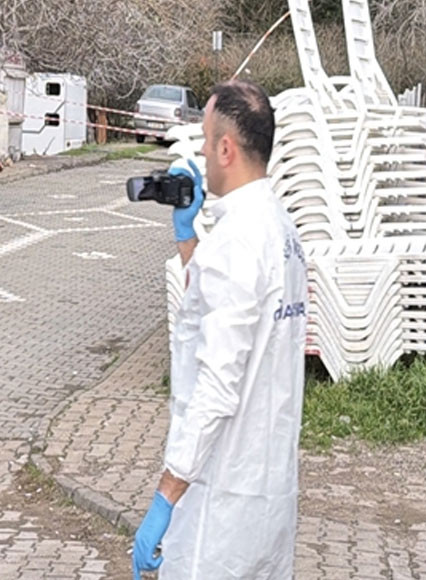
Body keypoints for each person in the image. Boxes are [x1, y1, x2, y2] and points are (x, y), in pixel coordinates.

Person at [131, 79, 307, 580]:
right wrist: (189, 235)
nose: (203, 153)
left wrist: (166, 496)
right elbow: (219, 306)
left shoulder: (239, 242)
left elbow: (217, 385)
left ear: (226, 149)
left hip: (221, 499)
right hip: (267, 492)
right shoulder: (279, 230)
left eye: (207, 141)